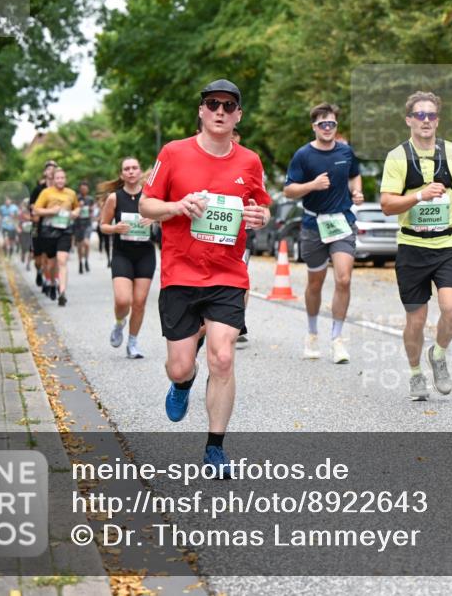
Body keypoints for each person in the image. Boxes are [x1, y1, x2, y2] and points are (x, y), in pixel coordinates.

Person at [140, 78, 270, 474]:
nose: (220, 111)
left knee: (224, 357)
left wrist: (259, 217)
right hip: (180, 274)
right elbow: (146, 206)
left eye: (229, 106)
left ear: (238, 116)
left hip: (228, 273)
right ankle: (181, 384)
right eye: (213, 103)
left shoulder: (249, 161)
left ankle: (215, 447)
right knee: (180, 365)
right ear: (200, 111)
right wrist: (177, 206)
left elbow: (262, 210)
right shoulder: (173, 153)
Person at [379, 91, 452, 401]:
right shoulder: (397, 157)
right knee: (416, 320)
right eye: (419, 115)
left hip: (447, 244)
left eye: (431, 115)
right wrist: (419, 195)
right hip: (411, 247)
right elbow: (386, 205)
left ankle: (439, 353)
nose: (425, 120)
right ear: (409, 119)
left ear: (438, 120)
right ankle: (414, 374)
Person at [282, 103, 363, 363]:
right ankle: (312, 332)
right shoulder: (303, 155)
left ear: (336, 126)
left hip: (342, 222)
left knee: (343, 279)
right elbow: (289, 190)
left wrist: (357, 192)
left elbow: (355, 175)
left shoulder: (346, 151)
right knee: (315, 283)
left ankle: (337, 338)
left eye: (332, 124)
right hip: (313, 225)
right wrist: (312, 185)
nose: (327, 128)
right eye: (322, 124)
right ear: (314, 126)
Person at [99, 158, 157, 359]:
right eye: (127, 169)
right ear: (122, 174)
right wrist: (114, 228)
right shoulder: (114, 198)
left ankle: (132, 342)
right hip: (123, 253)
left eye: (134, 168)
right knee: (124, 300)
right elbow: (103, 225)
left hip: (145, 254)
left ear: (140, 172)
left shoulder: (150, 197)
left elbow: (167, 218)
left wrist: (155, 219)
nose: (131, 171)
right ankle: (119, 322)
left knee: (139, 302)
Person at [33, 166, 80, 306]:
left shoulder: (71, 193)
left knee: (62, 259)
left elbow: (76, 206)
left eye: (62, 178)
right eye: (57, 178)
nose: (60, 180)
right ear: (53, 179)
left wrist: (75, 212)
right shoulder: (46, 193)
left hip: (65, 230)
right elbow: (36, 210)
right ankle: (52, 282)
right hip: (49, 231)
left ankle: (62, 291)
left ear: (65, 179)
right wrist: (51, 211)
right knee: (51, 263)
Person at [30, 161, 57, 288]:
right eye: (49, 169)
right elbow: (31, 205)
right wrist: (39, 211)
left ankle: (49, 281)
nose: (51, 171)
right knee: (38, 258)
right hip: (38, 226)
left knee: (49, 255)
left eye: (54, 169)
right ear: (45, 172)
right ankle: (39, 271)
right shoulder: (38, 189)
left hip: (53, 227)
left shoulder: (60, 189)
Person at [74, 180, 95, 274]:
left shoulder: (90, 199)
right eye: (82, 189)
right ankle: (80, 263)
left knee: (86, 243)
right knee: (79, 246)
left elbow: (92, 211)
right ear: (80, 189)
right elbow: (73, 210)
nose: (84, 190)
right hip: (78, 224)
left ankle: (86, 260)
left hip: (87, 224)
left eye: (85, 188)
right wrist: (79, 207)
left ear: (88, 189)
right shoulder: (76, 198)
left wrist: (91, 210)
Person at [18, 199, 33, 269]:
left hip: (31, 232)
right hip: (23, 232)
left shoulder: (35, 211)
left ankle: (28, 264)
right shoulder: (22, 212)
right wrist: (19, 229)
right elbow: (19, 222)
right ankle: (23, 253)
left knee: (31, 248)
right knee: (24, 247)